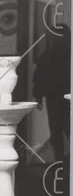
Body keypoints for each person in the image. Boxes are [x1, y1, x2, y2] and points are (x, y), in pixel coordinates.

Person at [33, 23, 71, 161]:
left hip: (57, 96)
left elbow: (38, 78)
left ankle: (59, 158)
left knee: (59, 128)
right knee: (59, 128)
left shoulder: (48, 55)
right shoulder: (48, 56)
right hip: (55, 96)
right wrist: (38, 95)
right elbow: (38, 77)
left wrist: (38, 95)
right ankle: (59, 158)